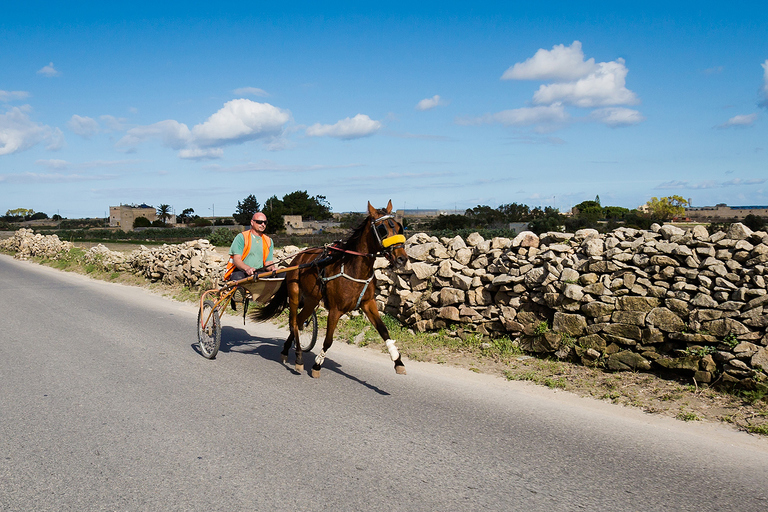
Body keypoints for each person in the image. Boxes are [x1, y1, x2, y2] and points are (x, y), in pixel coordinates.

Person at [224, 211, 275, 293]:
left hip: (260, 273)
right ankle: (239, 300)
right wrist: (247, 268)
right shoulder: (241, 237)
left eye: (265, 222)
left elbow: (268, 262)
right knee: (238, 279)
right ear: (252, 222)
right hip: (242, 271)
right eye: (259, 222)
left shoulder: (269, 241)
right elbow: (237, 260)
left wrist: (273, 268)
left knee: (282, 276)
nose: (263, 224)